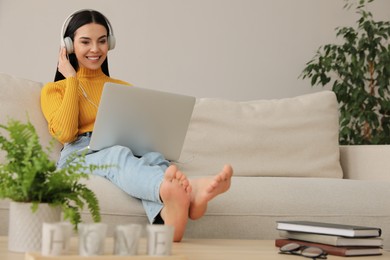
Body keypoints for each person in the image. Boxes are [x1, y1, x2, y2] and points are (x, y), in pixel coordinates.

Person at [40, 9, 233, 242]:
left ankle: (168, 217)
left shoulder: (122, 87)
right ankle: (189, 191)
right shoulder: (55, 90)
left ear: (110, 44)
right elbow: (65, 133)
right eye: (85, 42)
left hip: (121, 145)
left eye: (102, 41)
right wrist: (71, 79)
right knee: (118, 154)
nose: (95, 49)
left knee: (153, 157)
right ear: (68, 46)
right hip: (79, 152)